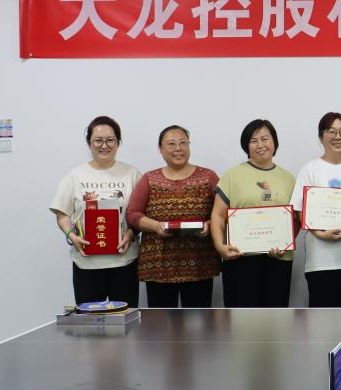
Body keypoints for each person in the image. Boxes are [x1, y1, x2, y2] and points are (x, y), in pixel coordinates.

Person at [50, 115, 141, 306]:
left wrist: (131, 233)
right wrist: (71, 235)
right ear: (89, 143)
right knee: (89, 320)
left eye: (110, 140)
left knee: (124, 319)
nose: (104, 145)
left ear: (118, 142)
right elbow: (62, 214)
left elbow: (141, 213)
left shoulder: (132, 174)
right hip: (86, 263)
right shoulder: (75, 176)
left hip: (124, 262)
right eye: (98, 140)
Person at [126, 125, 220, 308]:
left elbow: (223, 212)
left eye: (183, 143)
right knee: (161, 323)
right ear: (160, 149)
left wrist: (209, 225)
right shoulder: (149, 178)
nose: (178, 148)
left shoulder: (209, 176)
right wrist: (155, 226)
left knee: (198, 322)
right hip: (158, 265)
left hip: (199, 264)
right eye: (171, 144)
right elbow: (133, 214)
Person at [211, 119, 297, 308]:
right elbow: (217, 215)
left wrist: (286, 243)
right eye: (253, 140)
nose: (260, 145)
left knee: (275, 315)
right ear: (246, 146)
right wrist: (219, 246)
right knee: (240, 317)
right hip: (240, 258)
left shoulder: (289, 179)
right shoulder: (233, 175)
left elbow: (295, 218)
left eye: (265, 139)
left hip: (277, 258)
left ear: (274, 142)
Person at [289, 112, 341, 308]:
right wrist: (321, 234)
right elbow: (300, 211)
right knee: (322, 320)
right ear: (321, 137)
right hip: (322, 261)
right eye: (331, 131)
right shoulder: (310, 169)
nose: (338, 137)